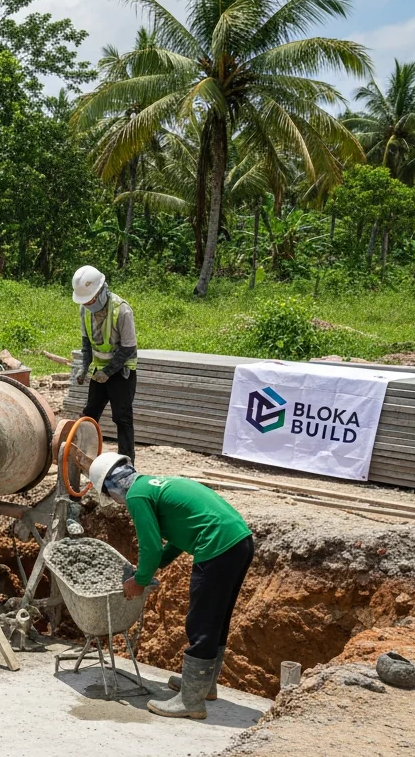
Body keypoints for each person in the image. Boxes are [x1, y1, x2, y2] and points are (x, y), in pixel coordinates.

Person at [89, 452, 254, 719]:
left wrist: (139, 581)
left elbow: (150, 546)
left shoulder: (136, 496)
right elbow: (179, 534)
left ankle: (191, 701)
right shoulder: (155, 484)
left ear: (111, 486)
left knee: (201, 622)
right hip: (239, 541)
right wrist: (157, 564)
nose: (116, 502)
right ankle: (203, 687)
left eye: (109, 495)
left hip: (217, 546)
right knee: (216, 620)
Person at [72, 265, 139, 462]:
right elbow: (86, 344)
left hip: (122, 371)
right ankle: (82, 455)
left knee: (122, 417)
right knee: (90, 414)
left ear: (102, 291)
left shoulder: (122, 310)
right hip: (100, 369)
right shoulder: (84, 310)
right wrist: (84, 367)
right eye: (86, 301)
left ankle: (127, 464)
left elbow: (128, 348)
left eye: (91, 299)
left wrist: (109, 372)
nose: (89, 304)